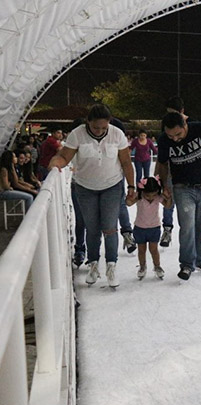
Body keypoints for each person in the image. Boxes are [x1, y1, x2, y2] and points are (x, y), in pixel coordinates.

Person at [49, 104, 135, 288]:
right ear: (88, 122)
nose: (100, 131)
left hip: (112, 185)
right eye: (96, 127)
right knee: (92, 228)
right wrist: (55, 164)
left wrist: (132, 186)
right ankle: (93, 264)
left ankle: (111, 265)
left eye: (104, 127)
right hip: (85, 187)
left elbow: (126, 162)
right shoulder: (77, 134)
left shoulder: (117, 134)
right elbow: (64, 157)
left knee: (110, 227)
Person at [156, 112, 201, 280]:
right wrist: (163, 185)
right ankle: (187, 264)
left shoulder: (199, 128)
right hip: (182, 189)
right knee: (187, 227)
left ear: (185, 126)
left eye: (178, 134)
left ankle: (200, 260)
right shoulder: (164, 140)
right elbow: (162, 163)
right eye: (170, 135)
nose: (174, 139)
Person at [126, 176, 172, 280]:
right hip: (140, 228)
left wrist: (168, 198)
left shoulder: (158, 197)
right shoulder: (139, 196)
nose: (151, 197)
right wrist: (129, 198)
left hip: (154, 228)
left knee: (154, 249)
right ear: (142, 191)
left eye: (153, 195)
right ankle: (142, 267)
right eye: (147, 195)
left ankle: (157, 266)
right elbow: (129, 203)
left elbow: (168, 206)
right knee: (141, 250)